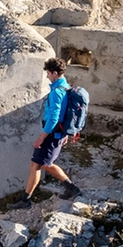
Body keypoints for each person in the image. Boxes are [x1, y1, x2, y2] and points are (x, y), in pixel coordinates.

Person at [10, 57, 82, 210]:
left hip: (51, 135)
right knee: (42, 164)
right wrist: (65, 134)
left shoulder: (57, 92)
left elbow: (54, 118)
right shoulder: (66, 87)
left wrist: (41, 138)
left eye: (48, 73)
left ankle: (26, 200)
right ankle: (71, 188)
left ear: (55, 73)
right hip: (57, 134)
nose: (47, 76)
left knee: (37, 165)